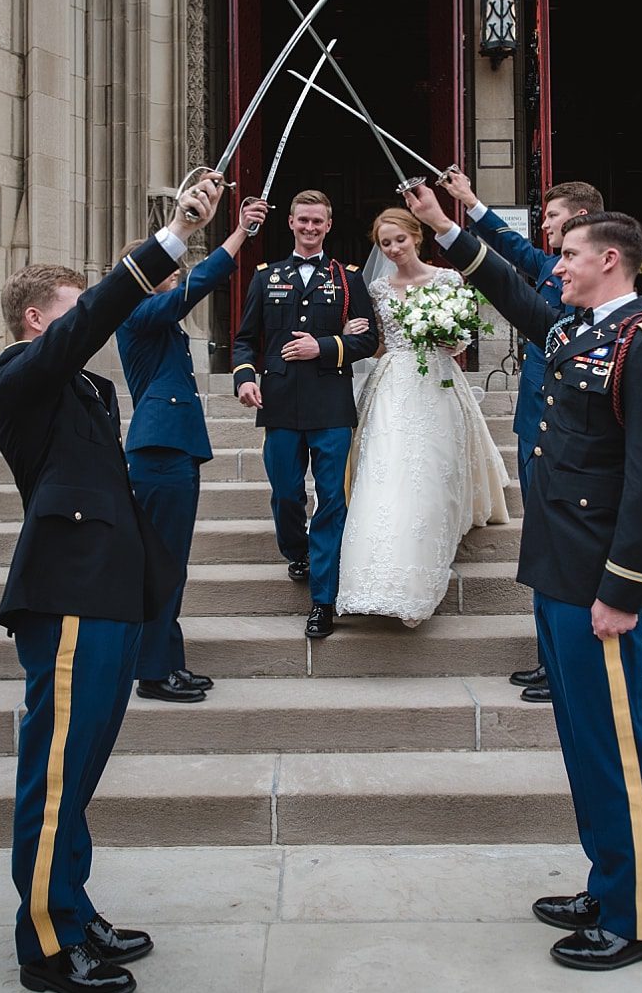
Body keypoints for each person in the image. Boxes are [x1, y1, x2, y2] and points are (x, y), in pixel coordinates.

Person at [404, 184, 642, 972]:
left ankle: (638, 920)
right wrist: (444, 226)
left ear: (608, 260)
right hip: (559, 570)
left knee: (616, 748)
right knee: (582, 742)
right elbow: (505, 285)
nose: (553, 264)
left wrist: (625, 590)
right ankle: (607, 883)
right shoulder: (576, 329)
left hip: (601, 580)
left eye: (567, 254)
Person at [0, 171, 223, 993]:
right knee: (54, 772)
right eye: (73, 307)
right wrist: (173, 237)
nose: (88, 317)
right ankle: (45, 945)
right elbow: (93, 322)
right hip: (68, 595)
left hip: (112, 591)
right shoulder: (17, 375)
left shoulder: (85, 388)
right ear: (36, 319)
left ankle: (73, 910)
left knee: (78, 771)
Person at [439, 168, 605, 701]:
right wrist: (468, 202)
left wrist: (453, 216)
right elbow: (508, 252)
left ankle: (567, 667)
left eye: (553, 217)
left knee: (561, 554)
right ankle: (549, 659)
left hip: (565, 436)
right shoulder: (555, 268)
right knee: (540, 549)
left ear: (580, 219)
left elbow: (509, 265)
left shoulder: (589, 286)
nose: (545, 228)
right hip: (534, 427)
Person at [117, 193, 269, 703]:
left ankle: (167, 661)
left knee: (170, 562)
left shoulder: (155, 317)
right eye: (166, 267)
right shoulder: (138, 312)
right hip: (160, 449)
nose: (177, 271)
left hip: (172, 448)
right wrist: (240, 233)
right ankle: (154, 672)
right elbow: (199, 284)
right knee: (163, 563)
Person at [336, 206, 512, 625]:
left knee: (432, 466)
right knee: (388, 466)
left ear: (417, 235)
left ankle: (422, 561)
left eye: (400, 239)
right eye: (385, 243)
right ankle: (378, 573)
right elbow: (378, 345)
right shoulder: (376, 288)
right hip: (393, 380)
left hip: (437, 378)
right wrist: (352, 340)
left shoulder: (447, 279)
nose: (394, 248)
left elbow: (460, 342)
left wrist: (453, 338)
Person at [231, 189, 380, 639]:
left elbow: (369, 340)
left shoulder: (348, 278)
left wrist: (326, 346)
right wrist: (244, 378)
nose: (310, 228)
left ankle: (323, 600)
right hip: (278, 403)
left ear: (328, 225)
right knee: (286, 493)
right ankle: (297, 550)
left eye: (318, 221)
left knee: (332, 499)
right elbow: (244, 339)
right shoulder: (265, 277)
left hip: (331, 404)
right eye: (303, 221)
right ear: (291, 223)